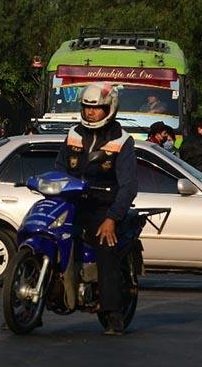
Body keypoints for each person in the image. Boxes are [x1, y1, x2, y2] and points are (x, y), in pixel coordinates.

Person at [54, 83, 137, 336]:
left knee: (105, 245)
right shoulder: (73, 134)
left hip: (104, 206)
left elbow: (129, 186)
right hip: (73, 202)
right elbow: (59, 168)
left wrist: (112, 218)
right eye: (86, 108)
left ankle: (112, 315)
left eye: (96, 108)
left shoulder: (122, 141)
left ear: (109, 109)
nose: (90, 113)